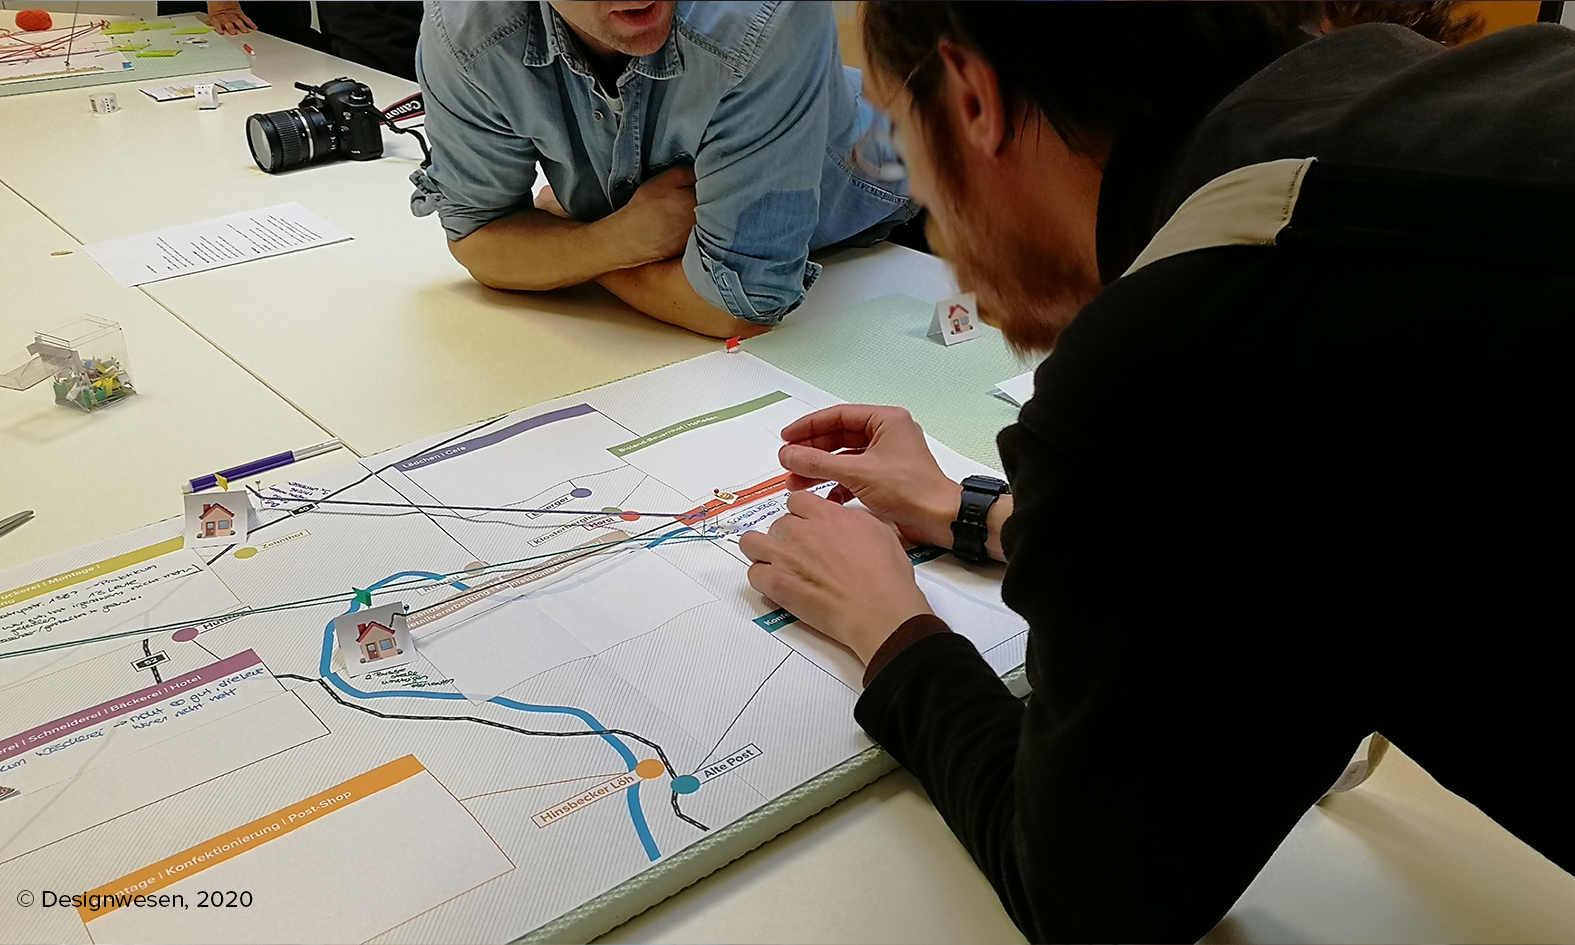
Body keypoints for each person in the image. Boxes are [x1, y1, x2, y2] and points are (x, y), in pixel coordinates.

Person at [739, 3, 1575, 941]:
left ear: (973, 99)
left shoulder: (1177, 350)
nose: (925, 208)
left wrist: (888, 623)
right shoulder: (1418, 91)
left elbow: (1093, 902)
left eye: (898, 142)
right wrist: (978, 513)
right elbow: (1276, 545)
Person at [409, 1, 914, 339]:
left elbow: (736, 308)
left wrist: (569, 239)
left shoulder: (767, 14)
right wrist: (617, 240)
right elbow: (479, 242)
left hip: (895, 217)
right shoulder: (465, 27)